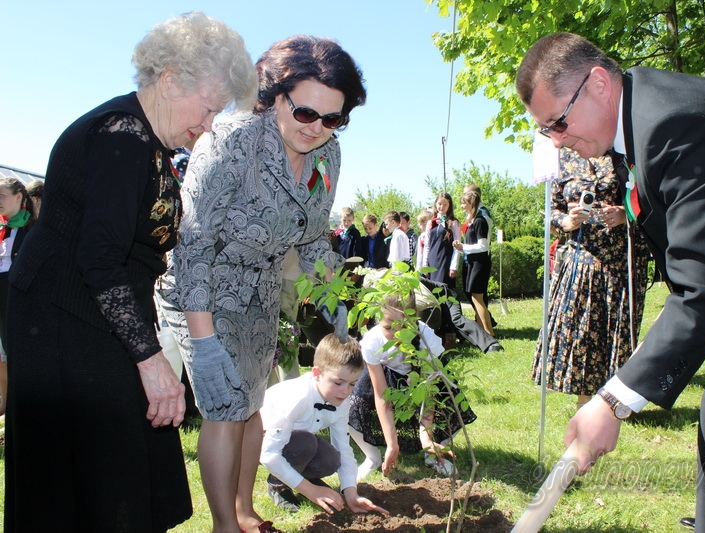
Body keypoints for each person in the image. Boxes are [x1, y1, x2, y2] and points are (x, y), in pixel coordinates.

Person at [517, 31, 705, 533]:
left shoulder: (676, 125)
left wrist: (614, 401)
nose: (556, 140)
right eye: (546, 132)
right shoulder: (643, 123)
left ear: (598, 83)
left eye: (558, 123)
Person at [3, 12, 256, 532]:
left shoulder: (153, 143)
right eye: (208, 108)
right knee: (92, 476)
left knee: (124, 469)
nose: (208, 124)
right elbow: (100, 258)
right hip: (62, 320)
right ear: (169, 80)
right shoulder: (122, 136)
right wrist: (151, 359)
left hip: (100, 314)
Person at [157, 34, 366, 533]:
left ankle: (246, 512)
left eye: (334, 118)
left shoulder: (327, 156)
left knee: (251, 406)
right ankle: (224, 526)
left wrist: (336, 299)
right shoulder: (230, 141)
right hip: (202, 293)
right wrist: (203, 343)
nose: (318, 129)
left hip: (261, 295)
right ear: (275, 95)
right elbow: (194, 245)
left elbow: (314, 236)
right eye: (307, 113)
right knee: (225, 411)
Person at [531, 148, 649, 409]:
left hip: (621, 261)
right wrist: (568, 221)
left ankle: (617, 402)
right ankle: (585, 402)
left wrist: (624, 213)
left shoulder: (623, 153)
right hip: (580, 260)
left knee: (616, 333)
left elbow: (651, 199)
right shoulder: (563, 159)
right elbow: (552, 212)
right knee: (581, 333)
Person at [348, 292, 477, 480]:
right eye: (388, 327)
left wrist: (426, 438)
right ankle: (372, 457)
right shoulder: (372, 342)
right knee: (349, 404)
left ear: (414, 320)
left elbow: (428, 394)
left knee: (450, 402)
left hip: (422, 381)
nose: (396, 334)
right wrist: (392, 444)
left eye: (403, 326)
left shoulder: (427, 339)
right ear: (378, 320)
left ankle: (433, 456)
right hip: (389, 379)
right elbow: (382, 396)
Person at [260, 334, 389, 516]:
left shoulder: (341, 400)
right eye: (338, 383)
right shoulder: (297, 397)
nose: (345, 391)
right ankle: (278, 484)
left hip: (296, 440)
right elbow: (268, 454)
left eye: (352, 384)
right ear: (317, 374)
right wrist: (311, 491)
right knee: (306, 443)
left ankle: (301, 477)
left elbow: (343, 448)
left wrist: (351, 492)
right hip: (260, 441)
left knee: (331, 459)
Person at [0, 178, 35, 417]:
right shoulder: (2, 229)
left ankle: (20, 406)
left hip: (16, 299)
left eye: (2, 196)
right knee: (1, 354)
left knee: (15, 353)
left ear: (19, 197)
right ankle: (5, 404)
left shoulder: (32, 230)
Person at [453, 189, 494, 336]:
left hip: (480, 263)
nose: (462, 206)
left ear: (472, 204)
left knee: (477, 298)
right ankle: (481, 331)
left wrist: (463, 247)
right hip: (472, 262)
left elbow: (483, 246)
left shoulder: (480, 221)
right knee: (474, 297)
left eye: (464, 204)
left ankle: (489, 334)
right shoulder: (473, 221)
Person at [422, 192, 461, 290]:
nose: (442, 207)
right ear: (435, 204)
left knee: (443, 289)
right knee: (432, 289)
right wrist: (425, 264)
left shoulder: (454, 223)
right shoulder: (431, 222)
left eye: (445, 204)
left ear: (449, 206)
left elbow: (457, 246)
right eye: (439, 204)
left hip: (445, 261)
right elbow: (427, 245)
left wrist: (453, 266)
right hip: (432, 261)